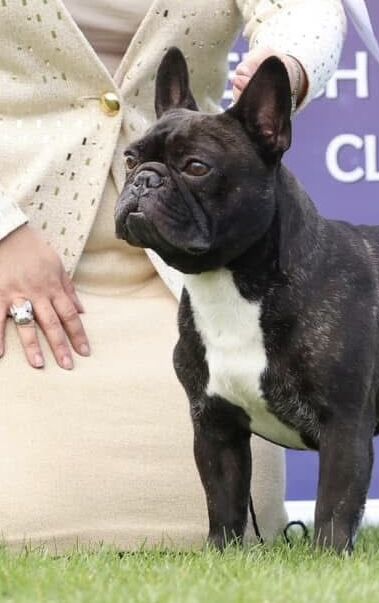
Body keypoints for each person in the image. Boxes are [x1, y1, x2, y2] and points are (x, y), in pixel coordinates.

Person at [0, 0, 346, 552]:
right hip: (16, 266)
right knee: (27, 525)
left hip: (200, 270)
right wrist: (4, 231)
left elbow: (307, 11)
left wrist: (291, 61)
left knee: (213, 525)